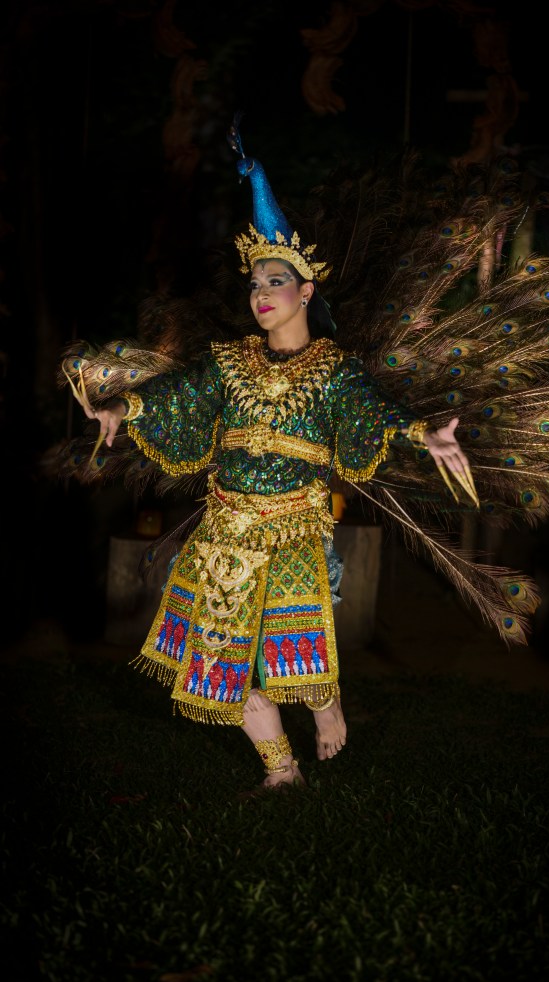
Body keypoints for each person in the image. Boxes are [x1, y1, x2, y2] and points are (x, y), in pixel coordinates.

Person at [80, 142, 475, 791]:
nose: (261, 295)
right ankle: (281, 768)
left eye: (274, 281)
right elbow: (177, 393)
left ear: (305, 289)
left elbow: (372, 408)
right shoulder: (228, 363)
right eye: (254, 284)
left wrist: (421, 432)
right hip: (226, 529)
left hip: (294, 529)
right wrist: (122, 409)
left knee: (296, 655)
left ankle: (327, 706)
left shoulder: (332, 370)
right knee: (213, 659)